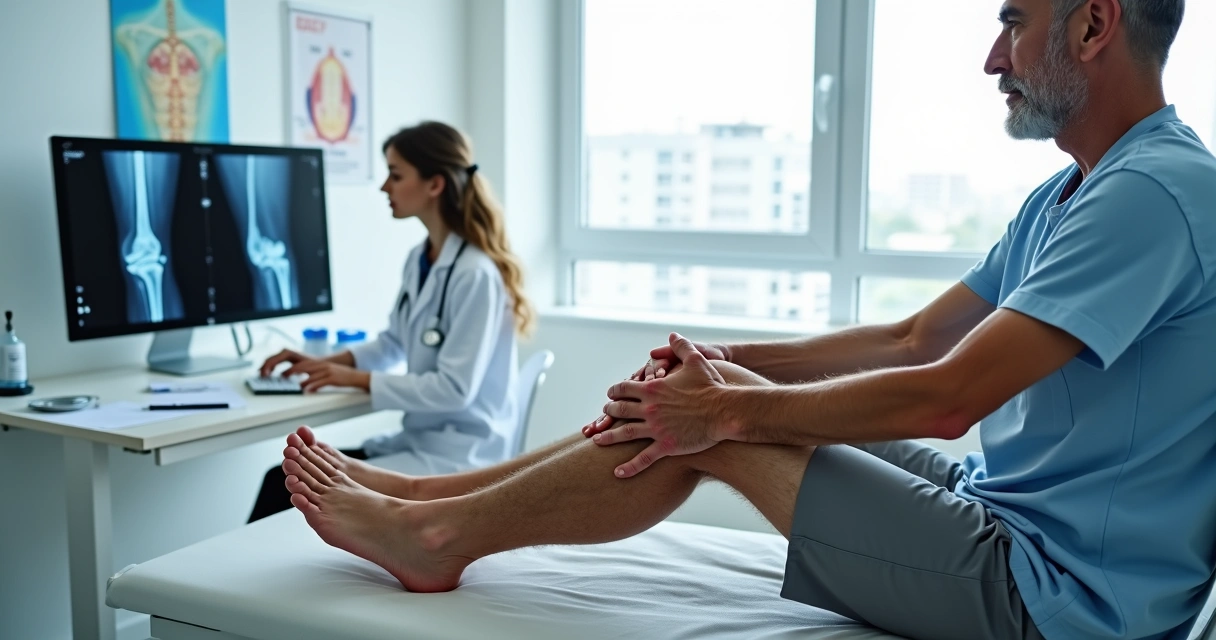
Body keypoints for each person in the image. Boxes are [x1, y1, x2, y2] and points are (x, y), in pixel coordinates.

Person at [276, 1, 1216, 638]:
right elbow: (913, 338)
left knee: (701, 430)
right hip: (1004, 508)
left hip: (1060, 600)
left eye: (1013, 21)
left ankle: (437, 540)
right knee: (700, 399)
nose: (992, 56)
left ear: (1094, 22)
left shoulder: (1154, 195)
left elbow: (947, 395)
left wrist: (725, 415)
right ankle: (434, 501)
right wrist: (726, 366)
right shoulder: (1076, 192)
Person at [247, 121, 535, 522]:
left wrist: (350, 378)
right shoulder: (422, 259)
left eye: (396, 175)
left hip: (458, 457)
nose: (385, 187)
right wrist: (329, 362)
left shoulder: (475, 274)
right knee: (285, 477)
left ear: (435, 184)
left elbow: (453, 390)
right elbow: (392, 344)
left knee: (286, 482)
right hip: (420, 443)